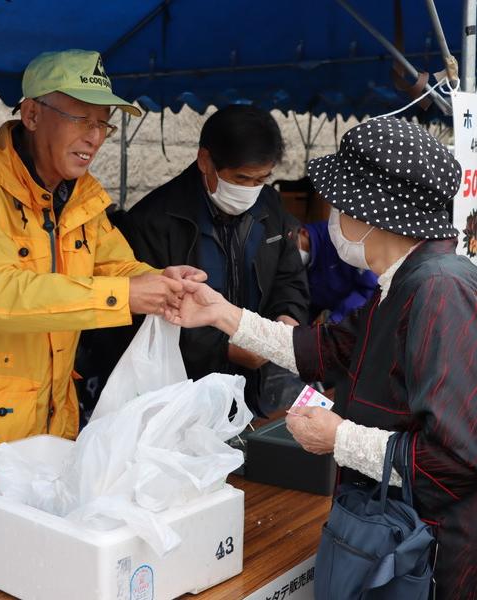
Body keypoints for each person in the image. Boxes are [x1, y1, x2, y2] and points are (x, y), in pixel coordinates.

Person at [168, 117, 477, 598]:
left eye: (339, 201)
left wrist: (340, 438)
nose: (331, 213)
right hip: (394, 536)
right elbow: (328, 349)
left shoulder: (440, 289)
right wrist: (225, 314)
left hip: (428, 556)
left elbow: (455, 459)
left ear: (374, 212)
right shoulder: (403, 282)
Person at [0, 49, 205, 464]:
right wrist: (123, 294)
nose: (94, 137)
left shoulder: (81, 194)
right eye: (81, 119)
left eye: (103, 124)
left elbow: (115, 265)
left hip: (52, 417)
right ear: (32, 115)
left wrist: (161, 280)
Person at [113, 105, 309, 414]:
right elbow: (143, 318)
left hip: (254, 390)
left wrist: (287, 321)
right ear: (205, 161)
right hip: (182, 392)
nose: (251, 190)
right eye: (242, 178)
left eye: (262, 179)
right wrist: (227, 349)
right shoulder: (154, 220)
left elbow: (289, 278)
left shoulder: (270, 206)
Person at [297, 220, 378, 323]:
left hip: (360, 316)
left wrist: (337, 318)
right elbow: (308, 304)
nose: (292, 254)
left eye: (294, 247)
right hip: (333, 318)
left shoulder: (341, 238)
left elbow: (369, 289)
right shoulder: (302, 265)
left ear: (304, 233)